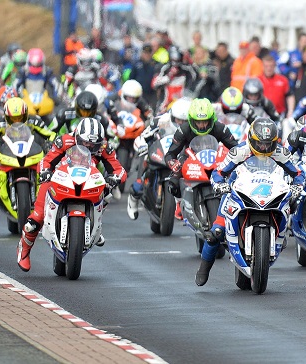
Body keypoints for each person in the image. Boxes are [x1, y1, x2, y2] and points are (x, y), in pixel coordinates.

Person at [195, 118, 304, 286]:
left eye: (268, 144)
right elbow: (218, 172)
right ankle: (204, 269)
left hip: (270, 191)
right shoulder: (239, 151)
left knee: (292, 203)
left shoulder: (281, 153)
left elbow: (298, 173)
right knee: (216, 231)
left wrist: (297, 187)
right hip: (238, 191)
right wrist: (220, 185)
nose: (264, 148)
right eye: (260, 144)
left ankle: (280, 236)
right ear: (252, 140)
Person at [16, 117, 125, 271]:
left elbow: (120, 170)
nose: (88, 147)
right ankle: (24, 249)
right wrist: (45, 172)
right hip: (60, 179)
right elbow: (45, 161)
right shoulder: (64, 141)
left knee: (106, 192)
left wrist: (115, 179)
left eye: (93, 145)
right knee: (37, 218)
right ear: (77, 136)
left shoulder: (104, 147)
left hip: (89, 180)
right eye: (85, 143)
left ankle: (96, 226)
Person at [126, 98, 190, 220]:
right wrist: (142, 145)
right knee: (144, 157)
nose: (181, 123)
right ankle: (134, 195)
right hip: (159, 152)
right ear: (172, 116)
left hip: (179, 156)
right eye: (178, 120)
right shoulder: (160, 121)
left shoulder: (193, 126)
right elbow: (143, 137)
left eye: (184, 121)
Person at [163, 99, 239, 201]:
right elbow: (170, 153)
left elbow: (236, 147)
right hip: (189, 157)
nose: (202, 126)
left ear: (211, 119)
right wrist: (173, 163)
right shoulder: (183, 130)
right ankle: (180, 203)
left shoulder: (220, 128)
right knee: (173, 184)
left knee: (238, 175)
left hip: (216, 157)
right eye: (198, 122)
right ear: (191, 120)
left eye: (205, 121)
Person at [152, 46, 197, 113]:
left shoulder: (186, 69)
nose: (175, 63)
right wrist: (169, 76)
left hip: (181, 102)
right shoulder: (164, 68)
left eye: (177, 60)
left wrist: (190, 61)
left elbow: (195, 77)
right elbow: (154, 84)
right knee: (159, 115)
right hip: (165, 103)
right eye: (173, 60)